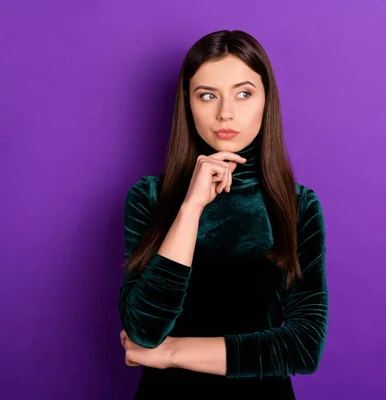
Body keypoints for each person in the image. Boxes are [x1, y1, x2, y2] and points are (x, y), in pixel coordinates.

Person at [118, 29, 329, 399]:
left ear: (266, 101)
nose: (225, 113)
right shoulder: (149, 197)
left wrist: (170, 353)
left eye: (244, 93)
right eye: (207, 95)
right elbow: (143, 332)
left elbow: (304, 347)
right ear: (188, 103)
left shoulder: (299, 206)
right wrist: (191, 206)